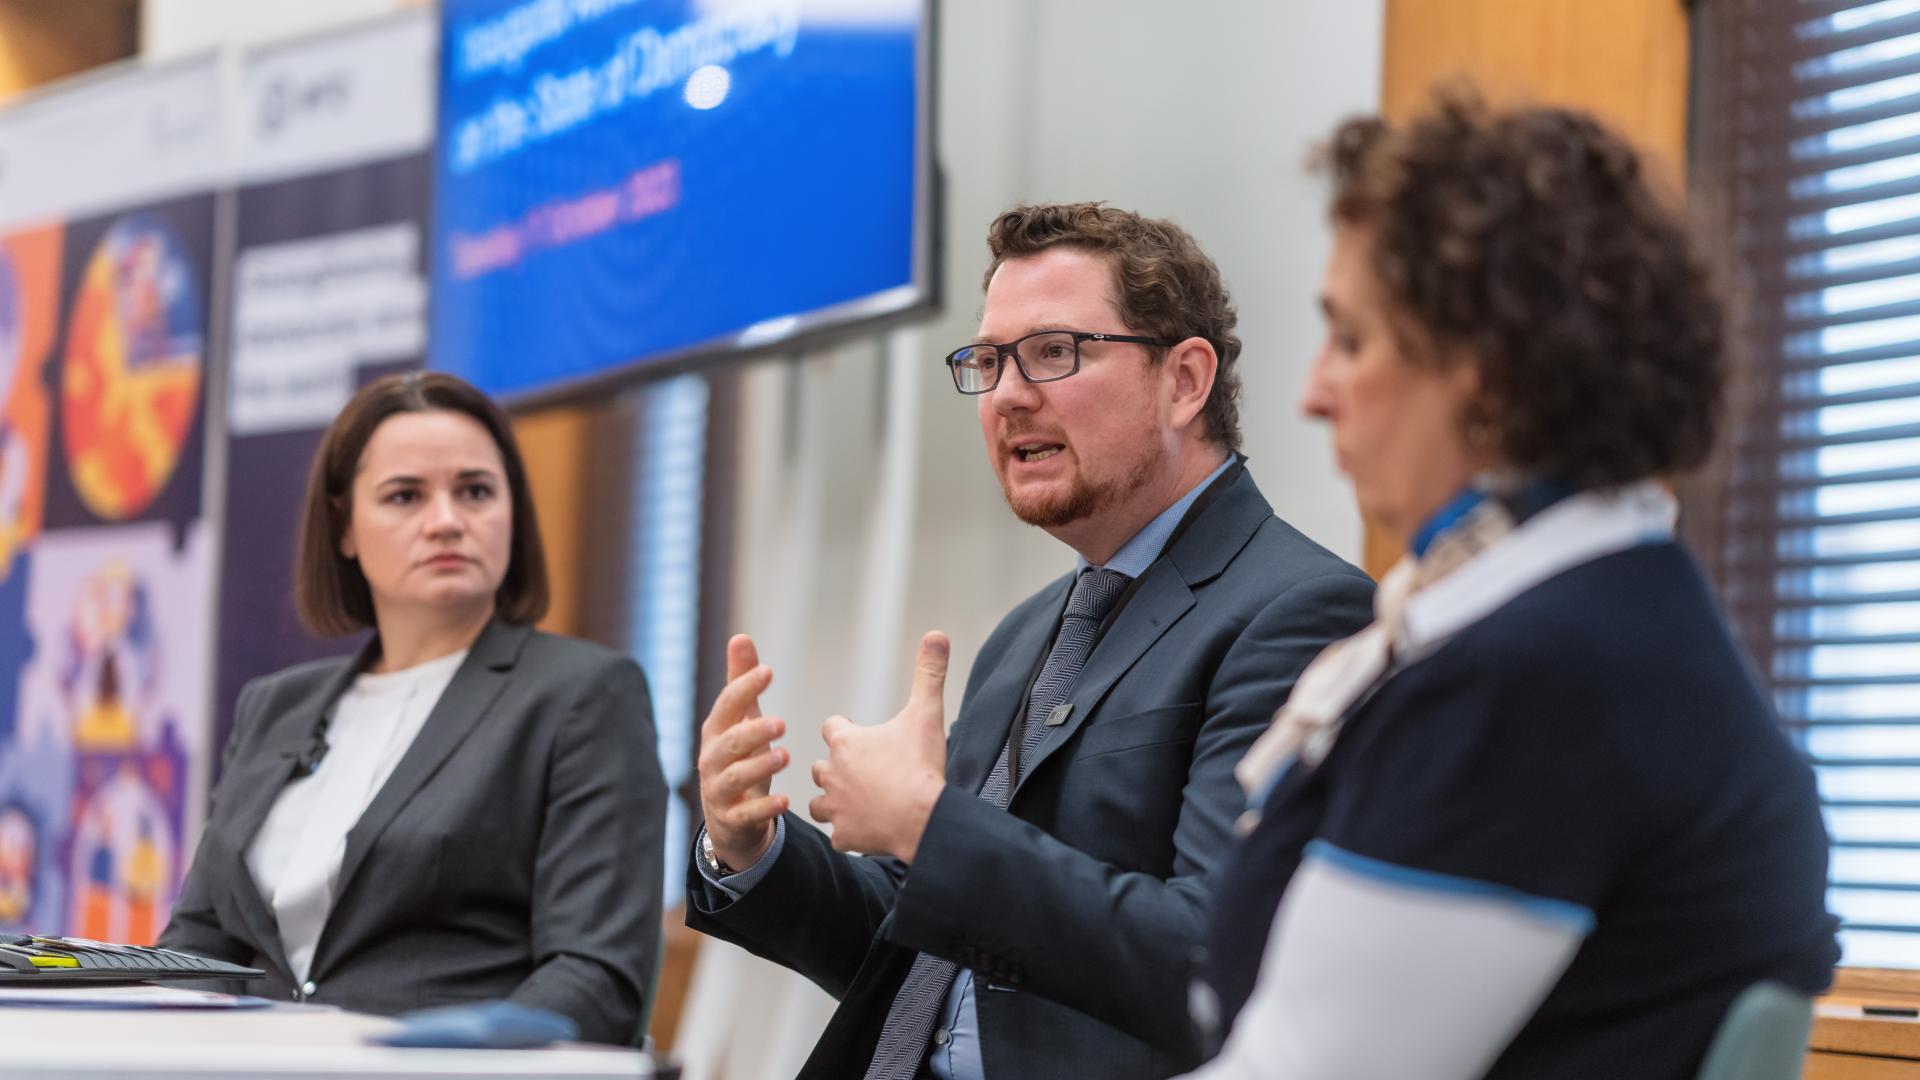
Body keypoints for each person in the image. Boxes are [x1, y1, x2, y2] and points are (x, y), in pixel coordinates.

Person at [1181, 93, 1840, 1080]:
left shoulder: (1538, 684)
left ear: (1482, 371)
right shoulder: (1623, 623)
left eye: (1352, 341)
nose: (1313, 392)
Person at [687, 203, 1375, 1080]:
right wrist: (749, 848)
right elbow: (926, 948)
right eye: (986, 360)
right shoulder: (1027, 634)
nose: (1009, 394)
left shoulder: (1302, 612)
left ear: (1185, 380)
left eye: (1054, 352)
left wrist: (931, 828)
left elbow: (1213, 955)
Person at [161, 372, 665, 1045]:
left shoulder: (585, 694)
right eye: (405, 496)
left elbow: (595, 979)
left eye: (476, 491)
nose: (448, 520)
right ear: (343, 528)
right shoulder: (275, 706)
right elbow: (200, 943)